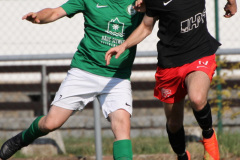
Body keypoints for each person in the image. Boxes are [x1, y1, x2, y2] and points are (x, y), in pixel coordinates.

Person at [0, 0, 145, 160]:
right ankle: (22, 139)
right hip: (84, 72)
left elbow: (159, 15)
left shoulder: (140, 2)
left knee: (122, 126)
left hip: (117, 77)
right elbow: (55, 12)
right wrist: (39, 16)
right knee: (51, 123)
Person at [105, 0, 237, 160]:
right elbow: (146, 27)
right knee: (174, 124)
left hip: (200, 52)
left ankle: (208, 136)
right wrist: (124, 45)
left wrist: (232, 2)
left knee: (197, 98)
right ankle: (182, 155)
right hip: (170, 63)